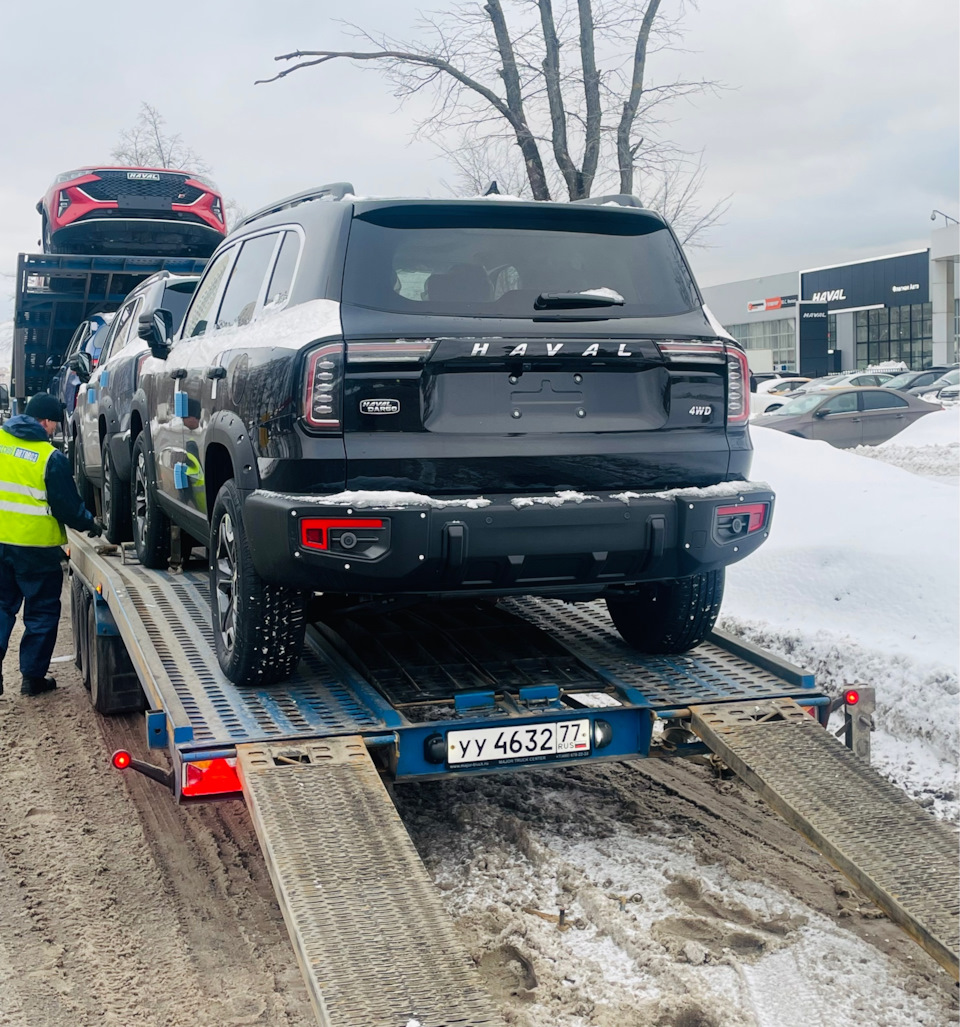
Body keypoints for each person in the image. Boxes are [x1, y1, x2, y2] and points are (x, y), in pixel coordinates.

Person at [0, 393, 102, 697]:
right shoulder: (49, 458)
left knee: (2, 607)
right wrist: (91, 523)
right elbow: (67, 508)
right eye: (54, 424)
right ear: (44, 420)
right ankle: (32, 679)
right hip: (36, 549)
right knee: (41, 612)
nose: (54, 430)